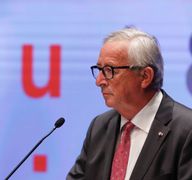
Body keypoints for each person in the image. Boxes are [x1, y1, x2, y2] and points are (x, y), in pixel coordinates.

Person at [67, 27, 192, 180]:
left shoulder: (187, 131)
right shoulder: (100, 126)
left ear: (145, 76)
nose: (99, 81)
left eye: (109, 70)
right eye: (99, 69)